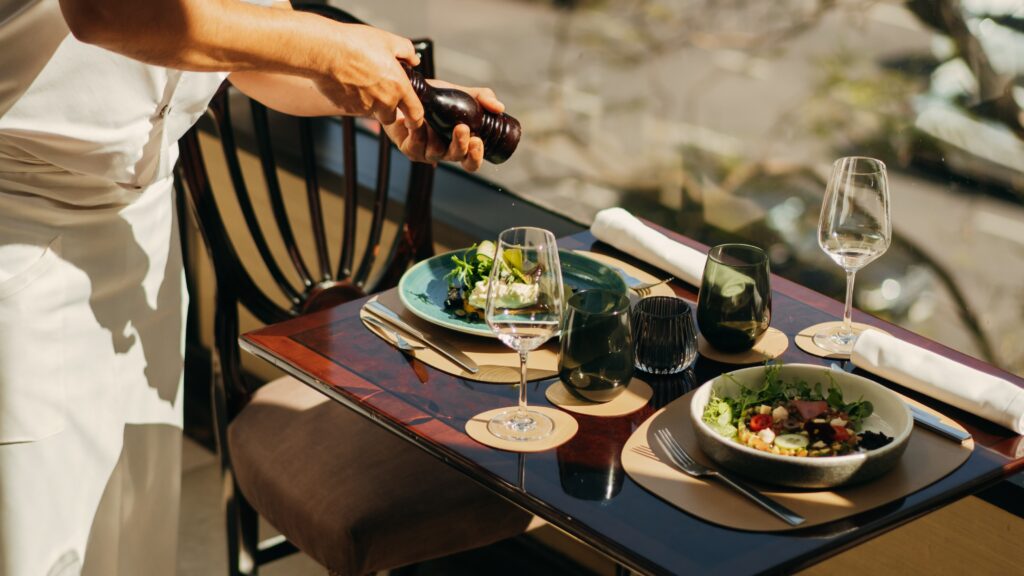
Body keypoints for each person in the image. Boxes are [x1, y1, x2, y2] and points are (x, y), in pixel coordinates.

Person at [0, 1, 505, 574]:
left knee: (132, 532)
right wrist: (329, 48)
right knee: (35, 535)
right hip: (18, 224)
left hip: (140, 235)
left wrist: (389, 99)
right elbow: (106, 11)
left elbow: (248, 48)